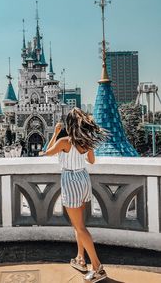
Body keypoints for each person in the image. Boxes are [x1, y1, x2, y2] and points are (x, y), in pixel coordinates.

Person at [39, 107, 109, 283]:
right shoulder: (86, 141)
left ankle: (98, 268)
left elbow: (46, 152)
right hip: (83, 179)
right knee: (79, 224)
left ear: (69, 124)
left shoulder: (64, 141)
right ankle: (80, 258)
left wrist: (55, 133)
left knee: (79, 227)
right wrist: (80, 156)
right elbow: (91, 161)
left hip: (70, 180)